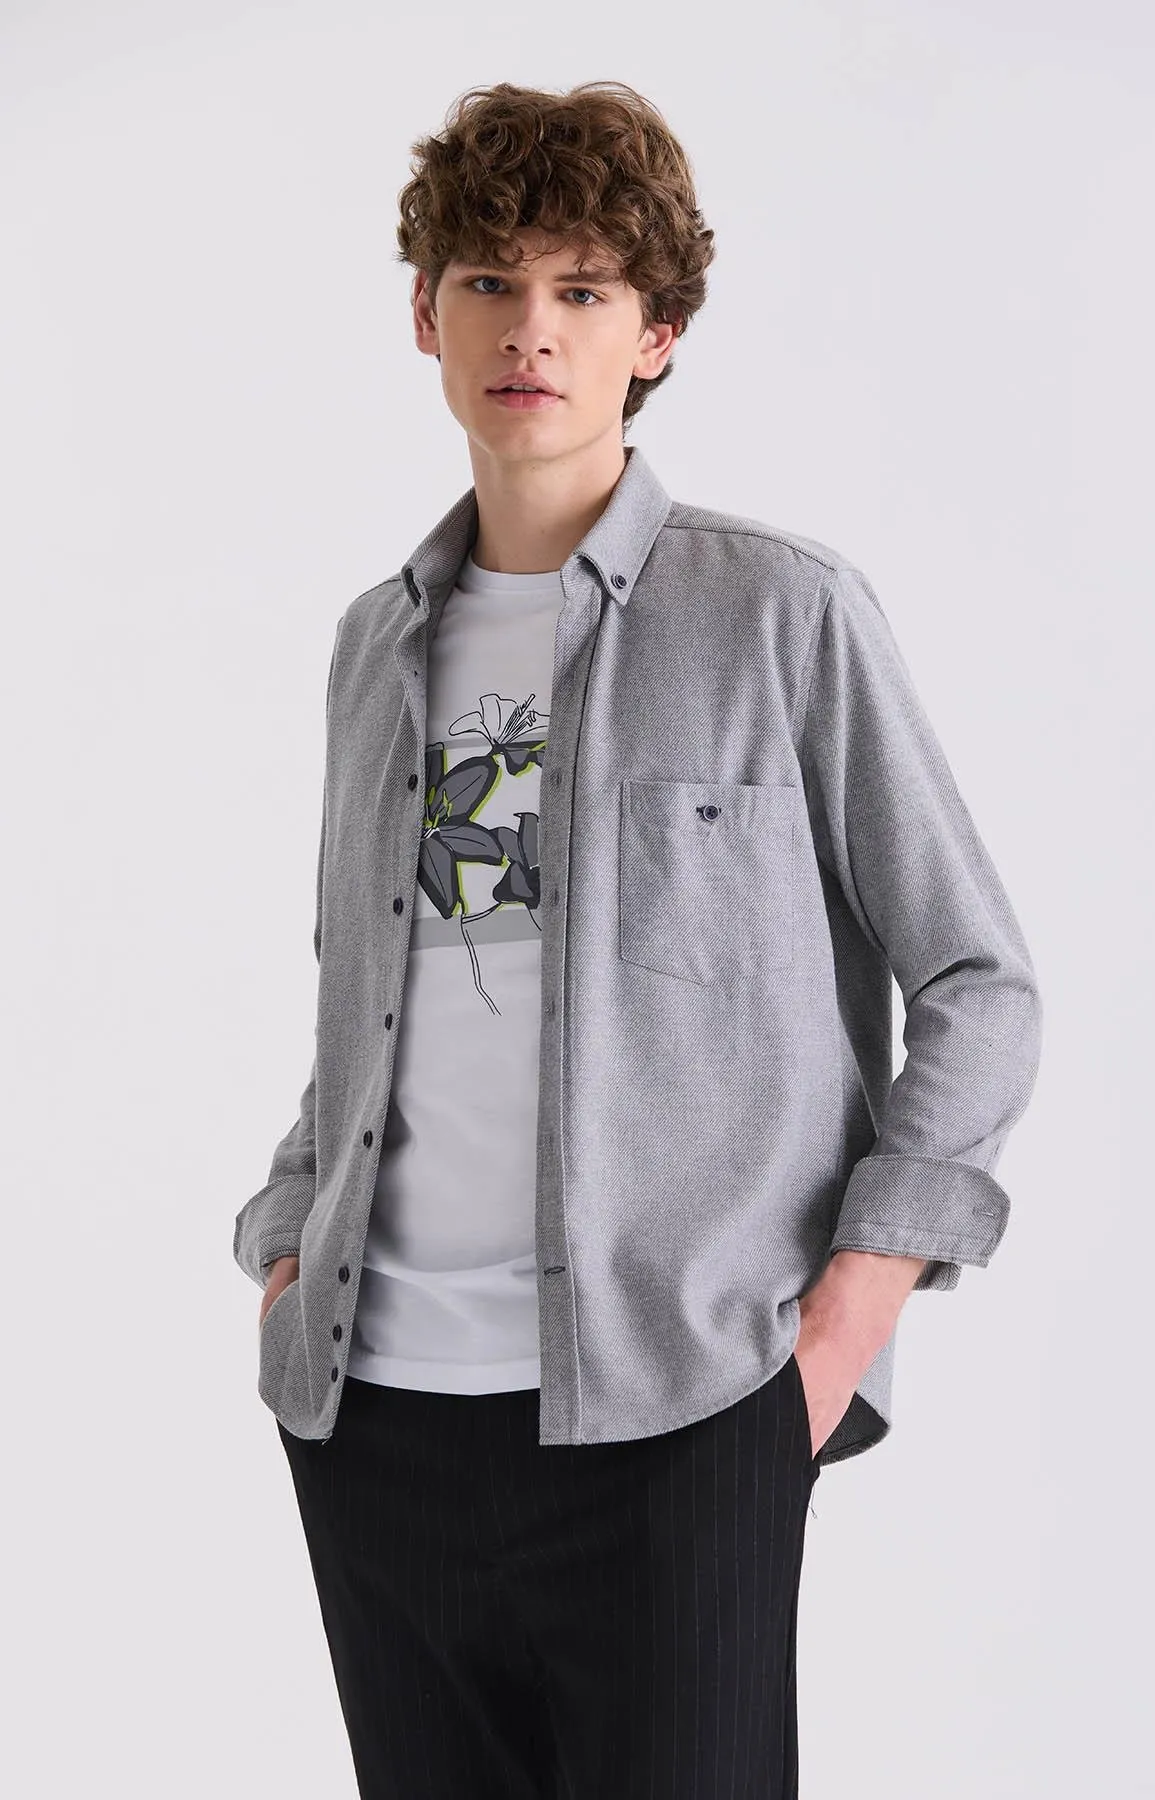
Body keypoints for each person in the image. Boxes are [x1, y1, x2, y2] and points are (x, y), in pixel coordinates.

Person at [233, 78, 1043, 1800]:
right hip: (373, 1421)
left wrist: (844, 1326)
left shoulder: (779, 613)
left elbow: (978, 982)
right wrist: (289, 1251)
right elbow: (361, 1004)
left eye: (583, 289)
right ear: (427, 315)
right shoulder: (373, 646)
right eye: (488, 280)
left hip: (679, 1414)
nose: (529, 328)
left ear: (655, 333)